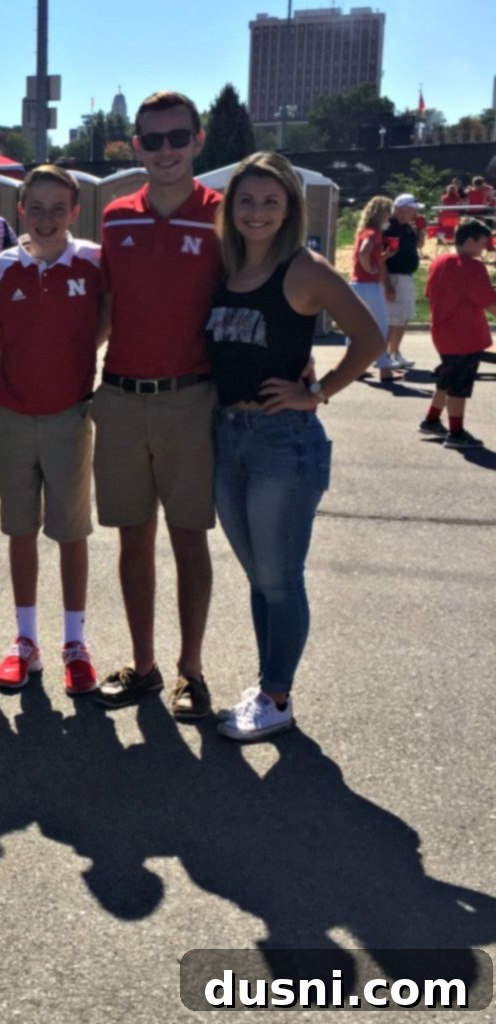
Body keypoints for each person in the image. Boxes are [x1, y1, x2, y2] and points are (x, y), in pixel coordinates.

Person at [205, 152, 384, 740]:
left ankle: (276, 697)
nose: (257, 212)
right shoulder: (225, 267)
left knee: (280, 579)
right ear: (231, 207)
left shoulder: (304, 269)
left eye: (270, 202)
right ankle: (268, 686)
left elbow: (370, 337)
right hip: (227, 436)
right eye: (246, 201)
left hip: (282, 442)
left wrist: (318, 393)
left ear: (289, 210)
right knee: (260, 577)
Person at [90, 90, 222, 720]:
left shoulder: (224, 215)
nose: (165, 150)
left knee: (189, 539)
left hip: (190, 399)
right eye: (152, 140)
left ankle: (190, 671)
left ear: (198, 140)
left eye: (177, 137)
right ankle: (144, 667)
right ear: (136, 146)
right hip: (120, 397)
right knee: (132, 541)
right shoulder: (116, 217)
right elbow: (105, 308)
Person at [0, 165, 103, 695]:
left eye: (58, 208)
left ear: (74, 212)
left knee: (71, 533)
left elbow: (112, 317)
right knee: (20, 531)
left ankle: (75, 643)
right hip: (13, 417)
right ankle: (26, 640)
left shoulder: (95, 261)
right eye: (36, 208)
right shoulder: (2, 266)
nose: (47, 218)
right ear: (21, 211)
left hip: (69, 417)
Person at [419, 218, 496, 450]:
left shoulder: (439, 262)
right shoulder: (472, 267)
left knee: (446, 380)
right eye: (483, 243)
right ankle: (456, 432)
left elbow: (430, 294)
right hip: (465, 336)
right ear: (470, 241)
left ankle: (432, 420)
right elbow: (488, 302)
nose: (485, 248)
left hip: (442, 332)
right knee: (459, 387)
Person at [350, 195, 398, 380]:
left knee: (356, 327)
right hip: (370, 285)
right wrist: (369, 268)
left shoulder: (364, 231)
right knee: (380, 327)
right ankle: (384, 369)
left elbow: (366, 254)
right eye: (388, 212)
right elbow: (364, 253)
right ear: (381, 213)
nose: (389, 216)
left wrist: (384, 256)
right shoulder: (373, 232)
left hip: (357, 284)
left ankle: (354, 367)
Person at [382, 193, 423, 370]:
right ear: (401, 209)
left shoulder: (407, 228)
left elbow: (418, 245)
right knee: (392, 318)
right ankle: (384, 355)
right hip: (394, 275)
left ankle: (395, 352)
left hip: (406, 275)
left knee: (403, 317)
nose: (415, 213)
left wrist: (421, 229)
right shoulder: (389, 228)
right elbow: (382, 259)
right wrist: (387, 284)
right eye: (412, 210)